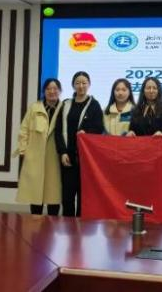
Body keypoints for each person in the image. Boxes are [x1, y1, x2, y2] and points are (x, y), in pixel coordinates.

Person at [54, 71, 104, 217]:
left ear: (89, 84)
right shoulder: (65, 104)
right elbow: (58, 130)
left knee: (83, 197)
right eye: (77, 83)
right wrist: (62, 152)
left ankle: (81, 228)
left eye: (84, 83)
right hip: (68, 157)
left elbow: (99, 128)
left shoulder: (94, 105)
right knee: (67, 197)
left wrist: (86, 132)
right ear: (73, 85)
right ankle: (68, 227)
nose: (81, 86)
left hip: (86, 159)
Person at [15, 78, 63, 216]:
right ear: (44, 91)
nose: (52, 91)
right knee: (35, 193)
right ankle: (35, 224)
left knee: (53, 193)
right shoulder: (35, 108)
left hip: (55, 157)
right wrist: (23, 150)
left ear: (60, 91)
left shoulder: (64, 108)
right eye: (48, 89)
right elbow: (24, 130)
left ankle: (52, 224)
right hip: (35, 156)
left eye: (55, 88)